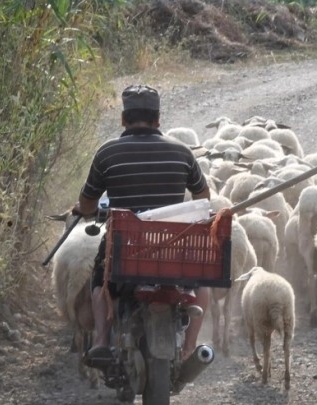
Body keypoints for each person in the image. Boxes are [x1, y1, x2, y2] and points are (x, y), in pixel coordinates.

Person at [71, 84, 211, 366]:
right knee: (201, 283)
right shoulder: (182, 152)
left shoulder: (107, 153)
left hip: (125, 250)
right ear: (158, 119)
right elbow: (203, 197)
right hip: (173, 250)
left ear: (124, 120)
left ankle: (101, 340)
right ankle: (190, 346)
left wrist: (82, 211)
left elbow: (87, 203)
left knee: (100, 283)